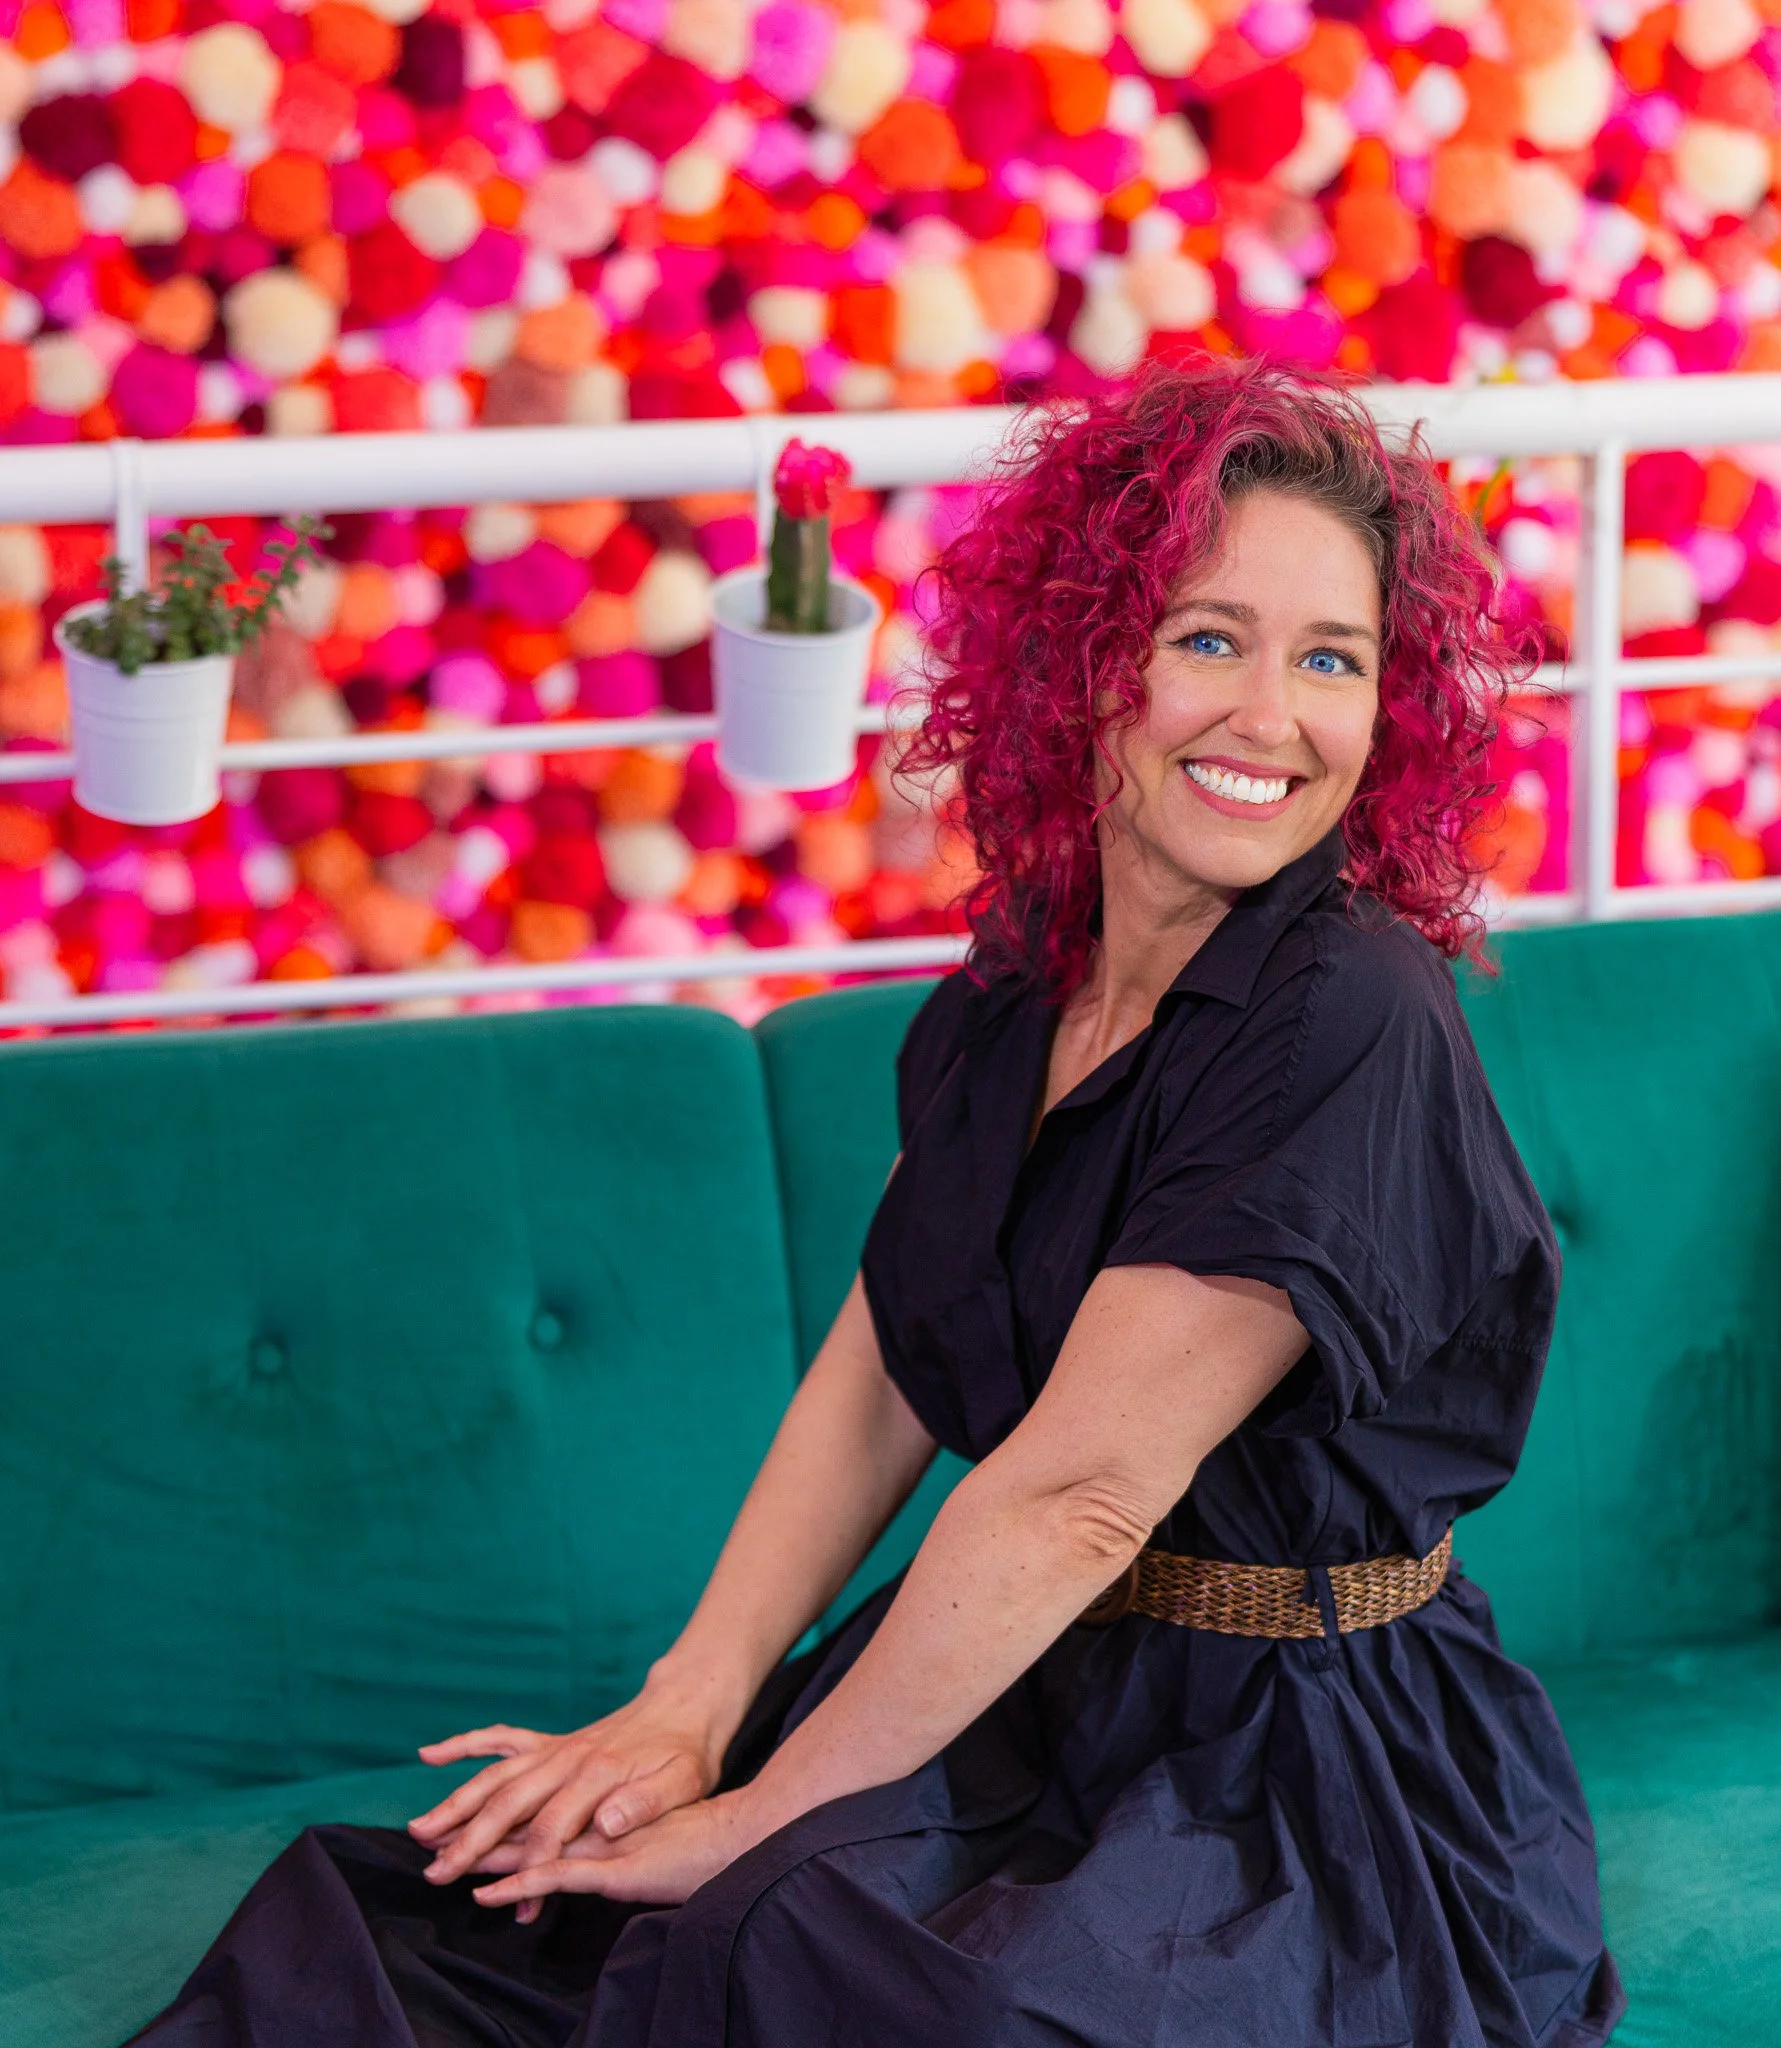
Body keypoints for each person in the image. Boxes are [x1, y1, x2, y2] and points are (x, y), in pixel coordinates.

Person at [130, 363, 1625, 2048]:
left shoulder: (1352, 1006)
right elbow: (888, 1360)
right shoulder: (1018, 980)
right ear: (1087, 661)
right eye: (1209, 636)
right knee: (489, 1918)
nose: (1271, 714)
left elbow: (1075, 1499)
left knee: (794, 1957)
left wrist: (751, 1825)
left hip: (1300, 1780)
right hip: (1037, 1692)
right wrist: (687, 1711)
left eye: (1331, 658)